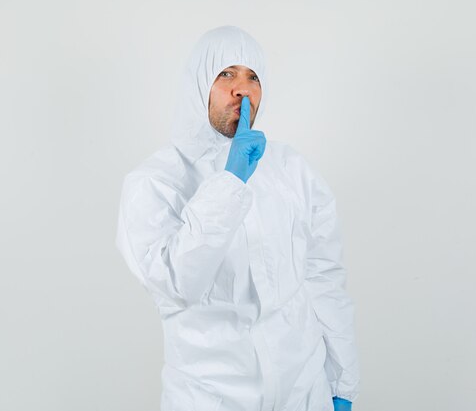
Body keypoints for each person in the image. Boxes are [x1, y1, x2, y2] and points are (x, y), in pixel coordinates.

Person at [115, 25, 360, 411]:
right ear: (199, 84)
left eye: (253, 77)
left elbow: (323, 277)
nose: (242, 89)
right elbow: (177, 286)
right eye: (226, 74)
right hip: (210, 396)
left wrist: (342, 382)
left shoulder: (290, 169)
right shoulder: (155, 182)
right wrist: (229, 182)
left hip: (303, 390)